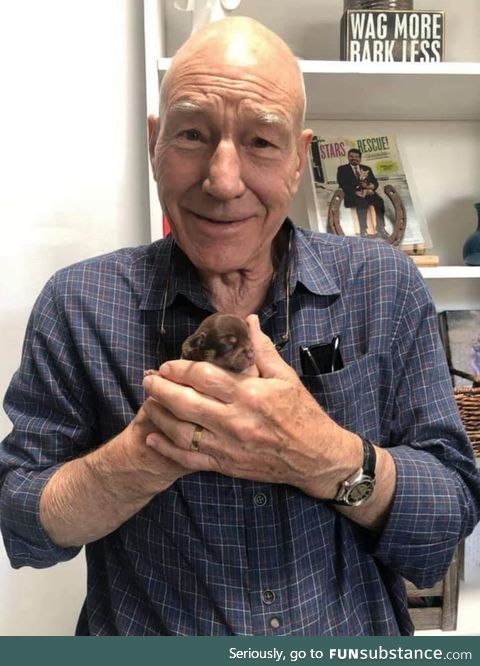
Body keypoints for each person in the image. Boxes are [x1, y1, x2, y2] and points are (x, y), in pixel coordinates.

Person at [1, 17, 479, 637]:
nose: (223, 182)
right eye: (193, 134)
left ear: (300, 159)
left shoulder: (385, 286)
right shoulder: (78, 303)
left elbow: (449, 516)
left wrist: (324, 456)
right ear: (155, 143)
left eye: (260, 142)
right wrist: (144, 455)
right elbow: (23, 522)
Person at [336, 148, 387, 237]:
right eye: (351, 156)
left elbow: (374, 182)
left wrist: (371, 188)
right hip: (352, 195)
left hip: (367, 193)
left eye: (356, 157)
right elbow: (342, 184)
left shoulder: (366, 168)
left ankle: (381, 228)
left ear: (360, 158)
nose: (354, 158)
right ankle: (363, 230)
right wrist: (355, 193)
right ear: (348, 157)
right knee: (362, 203)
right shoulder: (342, 169)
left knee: (380, 201)